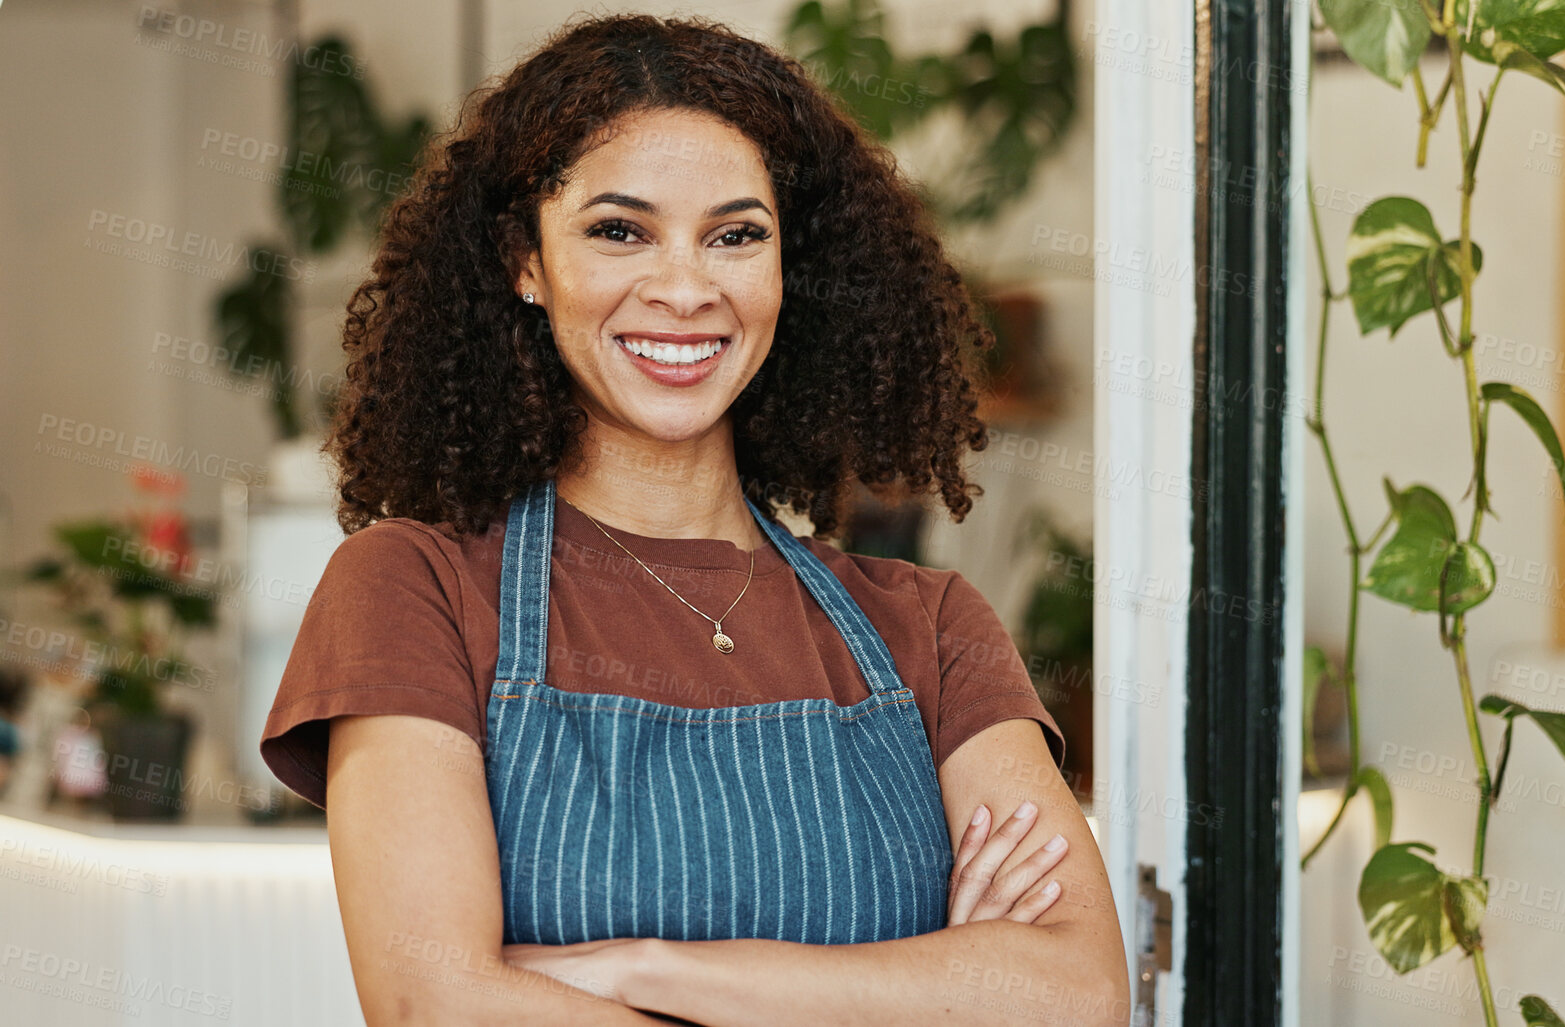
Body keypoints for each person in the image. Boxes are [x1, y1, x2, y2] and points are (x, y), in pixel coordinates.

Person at [260, 12, 1129, 1025]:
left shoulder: (928, 629)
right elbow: (434, 1002)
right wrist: (925, 984)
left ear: (784, 275)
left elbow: (1074, 994)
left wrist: (642, 969)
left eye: (734, 235)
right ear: (524, 263)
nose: (683, 288)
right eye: (618, 229)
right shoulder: (415, 589)